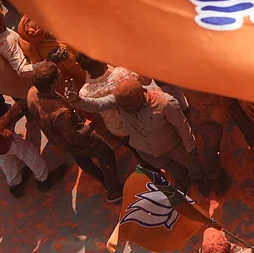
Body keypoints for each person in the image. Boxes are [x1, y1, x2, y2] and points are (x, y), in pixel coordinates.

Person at [76, 78, 205, 192]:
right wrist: (78, 101)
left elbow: (182, 127)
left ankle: (199, 178)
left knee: (191, 163)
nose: (124, 109)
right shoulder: (121, 100)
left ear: (140, 95)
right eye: (122, 106)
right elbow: (97, 104)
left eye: (128, 106)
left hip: (173, 147)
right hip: (146, 151)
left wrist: (191, 149)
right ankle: (181, 177)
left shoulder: (165, 103)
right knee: (168, 166)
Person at [23, 63, 122, 201]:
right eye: (58, 73)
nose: (61, 73)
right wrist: (93, 124)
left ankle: (104, 181)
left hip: (60, 140)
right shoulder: (61, 114)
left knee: (81, 158)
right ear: (54, 83)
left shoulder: (32, 92)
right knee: (107, 153)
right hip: (77, 140)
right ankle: (114, 191)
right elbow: (76, 138)